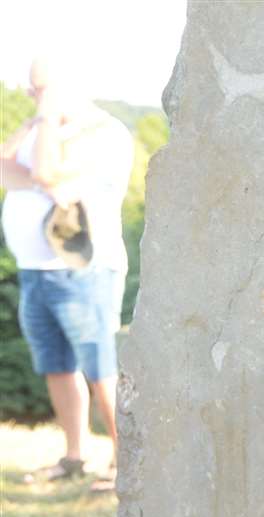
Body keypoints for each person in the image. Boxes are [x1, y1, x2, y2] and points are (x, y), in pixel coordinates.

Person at [1, 54, 135, 492]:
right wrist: (42, 160)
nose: (30, 96)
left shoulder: (104, 132)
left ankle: (126, 464)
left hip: (84, 271)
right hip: (37, 271)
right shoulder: (45, 130)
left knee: (102, 370)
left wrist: (42, 131)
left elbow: (41, 170)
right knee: (57, 368)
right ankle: (74, 456)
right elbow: (5, 165)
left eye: (38, 88)